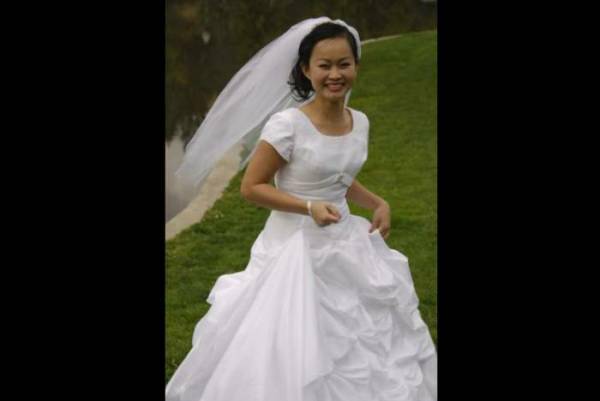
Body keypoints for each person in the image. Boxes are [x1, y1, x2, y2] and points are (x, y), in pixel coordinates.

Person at [166, 17, 437, 401]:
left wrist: (378, 202)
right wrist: (308, 207)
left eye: (344, 64)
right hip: (294, 247)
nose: (335, 74)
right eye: (324, 65)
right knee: (294, 341)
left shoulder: (359, 122)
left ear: (356, 66)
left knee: (364, 335)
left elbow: (339, 176)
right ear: (306, 70)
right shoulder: (287, 126)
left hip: (346, 243)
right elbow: (252, 187)